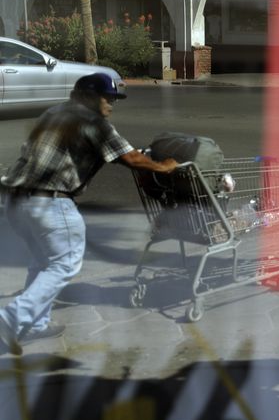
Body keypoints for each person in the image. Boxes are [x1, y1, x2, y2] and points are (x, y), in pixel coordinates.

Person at [0, 73, 178, 355]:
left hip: (14, 200)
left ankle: (35, 324)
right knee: (64, 264)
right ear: (85, 96)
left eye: (114, 99)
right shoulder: (93, 123)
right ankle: (10, 321)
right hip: (50, 201)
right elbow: (130, 159)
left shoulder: (53, 112)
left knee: (42, 260)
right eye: (107, 97)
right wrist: (164, 166)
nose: (111, 103)